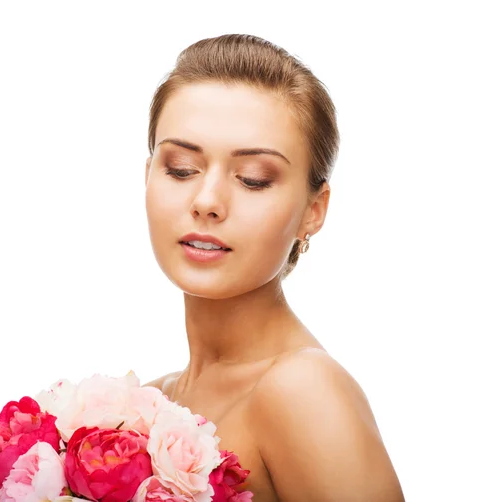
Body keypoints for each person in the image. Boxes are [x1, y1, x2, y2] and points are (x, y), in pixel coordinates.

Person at [142, 34, 405, 501]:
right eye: (181, 168)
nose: (207, 202)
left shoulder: (305, 391)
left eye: (253, 179)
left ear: (314, 209)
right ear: (148, 176)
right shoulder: (149, 401)